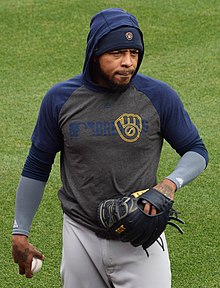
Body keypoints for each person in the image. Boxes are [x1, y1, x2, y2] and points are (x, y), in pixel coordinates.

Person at [12, 8, 208, 288]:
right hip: (80, 234)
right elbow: (37, 165)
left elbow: (196, 150)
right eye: (117, 53)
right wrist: (20, 231)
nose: (128, 62)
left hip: (141, 237)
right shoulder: (60, 100)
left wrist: (169, 184)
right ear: (95, 53)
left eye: (134, 53)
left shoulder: (158, 97)